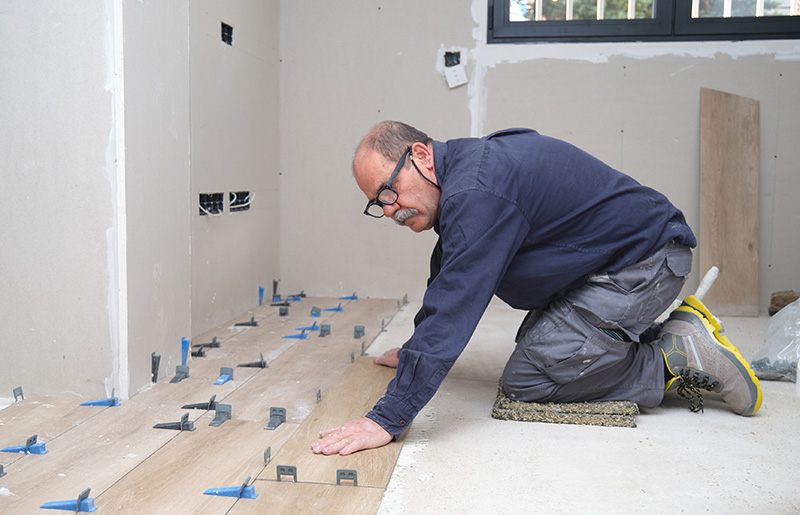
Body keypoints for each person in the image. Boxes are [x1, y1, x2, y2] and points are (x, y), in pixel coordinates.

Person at [311, 121, 762, 456]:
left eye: (388, 192)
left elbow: (456, 303)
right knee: (540, 347)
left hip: (643, 265)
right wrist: (414, 349)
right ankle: (657, 335)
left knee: (529, 376)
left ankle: (668, 359)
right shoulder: (468, 173)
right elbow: (448, 274)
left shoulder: (477, 190)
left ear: (422, 157)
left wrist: (388, 417)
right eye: (378, 204)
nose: (389, 211)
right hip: (618, 264)